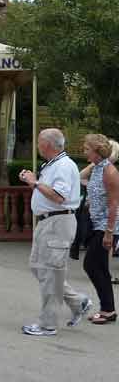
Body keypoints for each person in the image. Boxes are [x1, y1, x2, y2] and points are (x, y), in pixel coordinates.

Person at [18, 128, 91, 336]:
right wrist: (34, 182)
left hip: (58, 222)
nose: (37, 146)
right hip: (49, 222)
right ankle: (78, 302)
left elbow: (59, 196)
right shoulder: (55, 164)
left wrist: (34, 182)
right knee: (39, 268)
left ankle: (48, 324)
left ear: (48, 145)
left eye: (39, 142)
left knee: (50, 273)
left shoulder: (63, 166)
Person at [80, 134, 119, 324]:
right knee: (100, 267)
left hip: (105, 226)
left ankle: (108, 309)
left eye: (87, 149)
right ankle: (108, 309)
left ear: (97, 151)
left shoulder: (110, 172)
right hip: (95, 223)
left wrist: (109, 232)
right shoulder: (96, 168)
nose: (84, 151)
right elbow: (80, 177)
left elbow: (114, 204)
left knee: (92, 265)